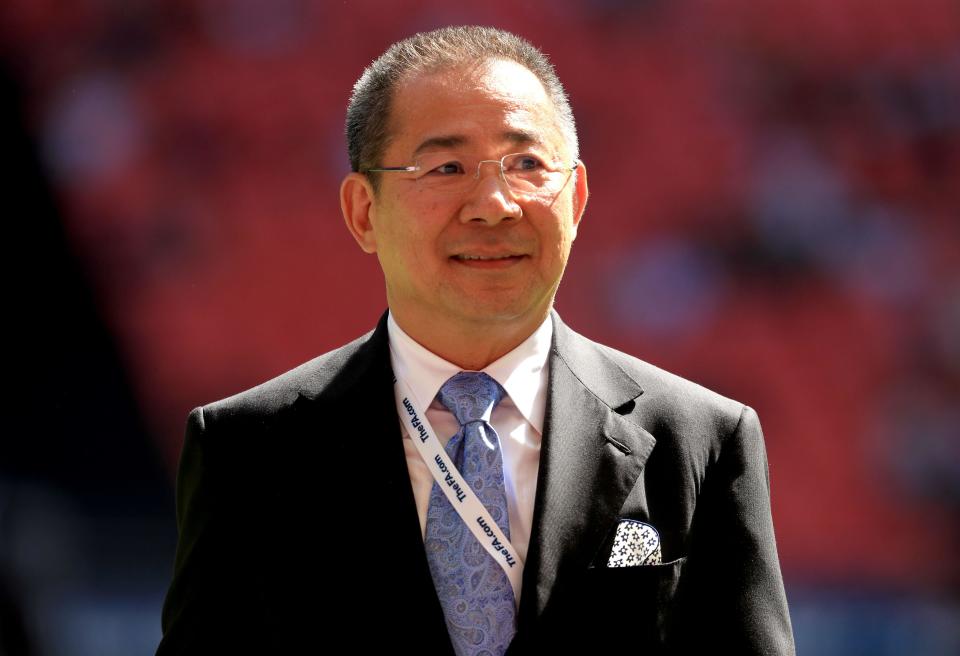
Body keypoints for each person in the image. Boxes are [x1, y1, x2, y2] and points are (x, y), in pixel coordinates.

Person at [156, 25, 795, 656]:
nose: (494, 204)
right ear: (363, 212)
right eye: (447, 166)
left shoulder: (702, 438)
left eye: (526, 164)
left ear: (575, 199)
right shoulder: (246, 450)